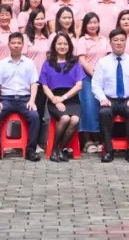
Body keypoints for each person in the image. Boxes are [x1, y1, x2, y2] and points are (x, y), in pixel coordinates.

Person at [92, 28, 129, 163]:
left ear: (126, 42)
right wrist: (102, 98)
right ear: (110, 43)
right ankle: (108, 150)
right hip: (109, 100)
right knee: (104, 113)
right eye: (115, 40)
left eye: (122, 40)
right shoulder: (103, 62)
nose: (119, 43)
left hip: (128, 100)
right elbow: (96, 84)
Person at [0, 32, 41, 162]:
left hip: (24, 99)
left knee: (35, 116)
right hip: (6, 99)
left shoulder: (30, 63)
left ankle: (30, 150)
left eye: (19, 43)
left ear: (23, 45)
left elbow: (34, 83)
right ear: (9, 45)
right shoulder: (2, 63)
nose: (16, 45)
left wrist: (32, 100)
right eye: (13, 43)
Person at [40, 32, 86, 162]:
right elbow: (45, 87)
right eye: (59, 43)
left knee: (75, 120)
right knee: (65, 118)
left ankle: (60, 150)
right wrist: (55, 100)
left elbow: (79, 86)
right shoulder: (47, 63)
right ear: (54, 46)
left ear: (69, 46)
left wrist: (63, 98)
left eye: (65, 44)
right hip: (54, 98)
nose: (62, 46)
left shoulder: (75, 63)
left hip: (71, 99)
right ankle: (54, 150)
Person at [76, 12, 110, 154]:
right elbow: (81, 60)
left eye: (95, 22)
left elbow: (108, 57)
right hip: (87, 78)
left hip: (103, 79)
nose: (92, 25)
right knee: (88, 108)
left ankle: (99, 139)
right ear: (85, 25)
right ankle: (88, 140)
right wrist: (93, 73)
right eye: (90, 22)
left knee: (100, 107)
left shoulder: (104, 39)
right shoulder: (82, 40)